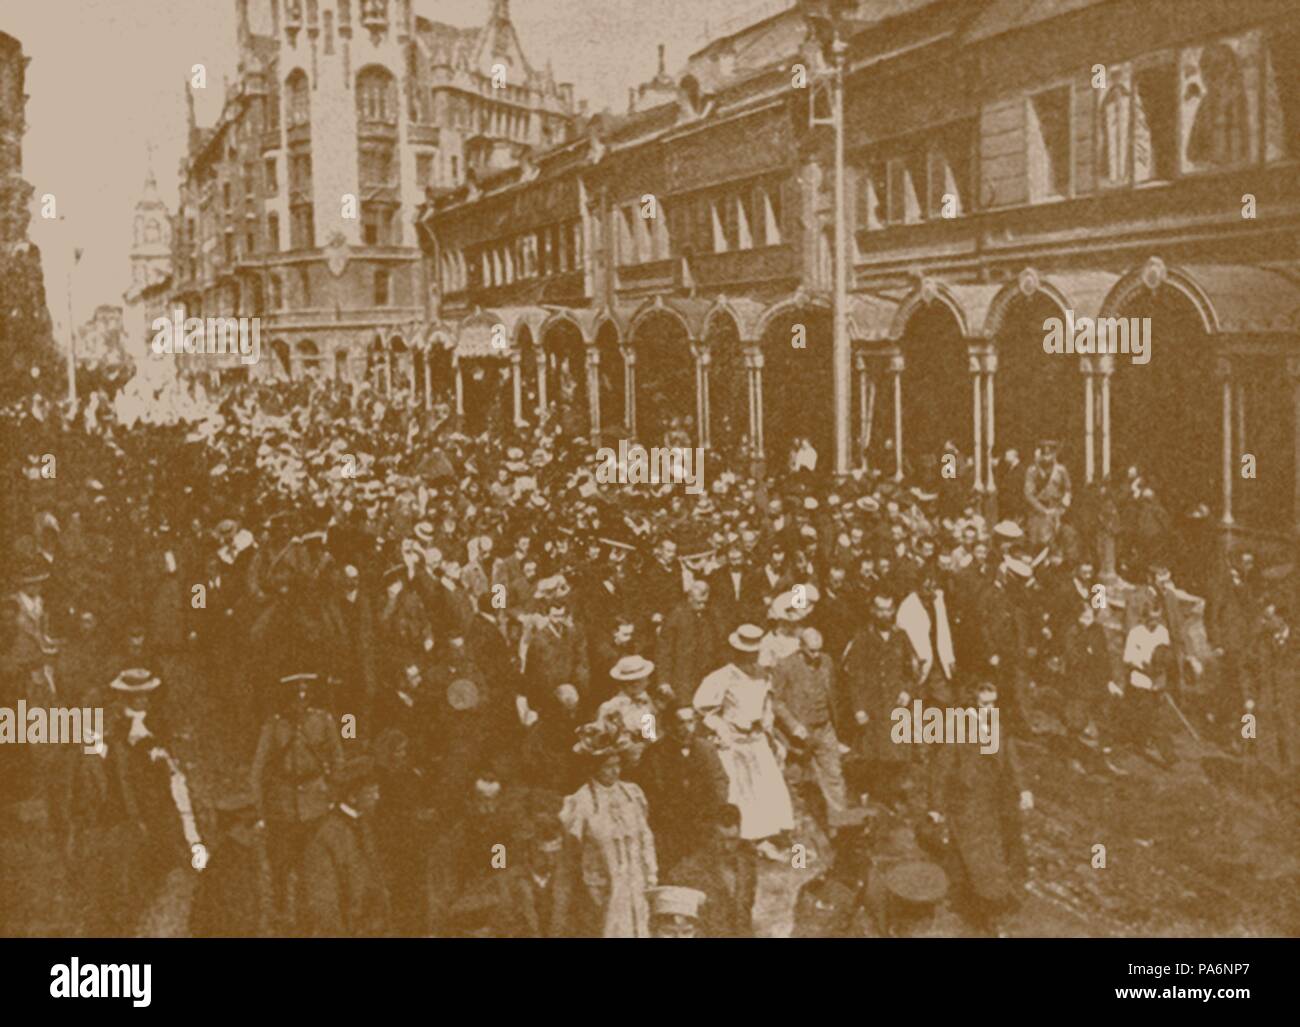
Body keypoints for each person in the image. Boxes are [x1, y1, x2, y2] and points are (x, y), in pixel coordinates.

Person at [693, 624, 795, 860]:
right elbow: (705, 710)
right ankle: (750, 841)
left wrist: (769, 731)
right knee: (742, 791)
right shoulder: (722, 677)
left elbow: (767, 705)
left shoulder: (762, 675)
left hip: (757, 738)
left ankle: (773, 839)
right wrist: (722, 729)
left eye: (754, 653)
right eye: (745, 653)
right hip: (734, 742)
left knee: (768, 787)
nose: (750, 658)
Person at [250, 672, 343, 928]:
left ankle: (307, 915)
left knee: (310, 864)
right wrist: (260, 811)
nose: (301, 702)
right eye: (295, 696)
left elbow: (337, 758)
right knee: (280, 862)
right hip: (282, 806)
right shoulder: (274, 725)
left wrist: (333, 794)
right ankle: (280, 909)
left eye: (305, 695)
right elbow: (257, 770)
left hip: (315, 804)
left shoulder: (324, 720)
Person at [557, 719, 658, 937]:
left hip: (636, 881)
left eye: (617, 765)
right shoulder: (581, 802)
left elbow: (645, 837)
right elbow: (573, 853)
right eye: (608, 767)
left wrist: (651, 875)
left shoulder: (632, 794)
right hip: (603, 886)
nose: (614, 772)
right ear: (594, 769)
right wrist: (593, 885)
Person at [298, 755, 390, 937]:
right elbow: (325, 904)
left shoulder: (364, 826)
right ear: (353, 797)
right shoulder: (327, 835)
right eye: (372, 792)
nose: (378, 797)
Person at [771, 626, 849, 829]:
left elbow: (832, 692)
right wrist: (793, 725)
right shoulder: (785, 666)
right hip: (798, 733)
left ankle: (838, 822)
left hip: (824, 727)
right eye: (811, 650)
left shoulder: (827, 662)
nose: (816, 655)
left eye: (818, 650)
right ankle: (796, 819)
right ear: (801, 646)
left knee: (834, 773)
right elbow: (776, 701)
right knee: (795, 776)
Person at [841, 593, 914, 808]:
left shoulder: (901, 637)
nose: (884, 614)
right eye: (880, 609)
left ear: (893, 611)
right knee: (868, 753)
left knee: (895, 753)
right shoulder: (862, 638)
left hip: (894, 703)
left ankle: (890, 794)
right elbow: (853, 677)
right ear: (873, 611)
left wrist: (907, 691)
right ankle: (864, 791)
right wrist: (859, 708)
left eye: (888, 609)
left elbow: (910, 670)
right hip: (871, 705)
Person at [667, 802, 757, 938]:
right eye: (721, 840)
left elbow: (745, 914)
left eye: (733, 840)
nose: (728, 847)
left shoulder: (746, 867)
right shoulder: (686, 872)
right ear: (709, 836)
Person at [491, 812, 570, 938]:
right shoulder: (508, 882)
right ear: (530, 848)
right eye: (544, 852)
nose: (552, 859)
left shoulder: (566, 878)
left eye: (556, 852)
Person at [1024, 440, 1071, 548]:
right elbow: (1028, 494)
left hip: (1055, 510)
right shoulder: (1032, 471)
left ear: (1055, 454)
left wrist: (1062, 508)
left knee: (1055, 542)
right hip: (1038, 512)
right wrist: (1044, 510)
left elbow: (1068, 490)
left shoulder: (1061, 470)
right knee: (1037, 542)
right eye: (1044, 454)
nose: (1046, 458)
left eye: (1049, 454)